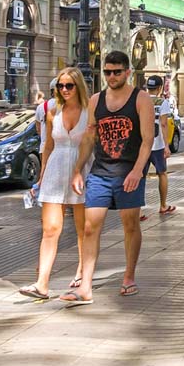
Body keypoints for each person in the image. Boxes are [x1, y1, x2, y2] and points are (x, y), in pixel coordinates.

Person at [61, 51, 155, 306]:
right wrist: (78, 169)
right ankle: (86, 287)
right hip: (100, 172)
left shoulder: (141, 99)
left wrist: (137, 171)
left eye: (116, 71)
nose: (111, 76)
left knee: (130, 226)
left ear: (127, 72)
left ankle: (128, 276)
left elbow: (148, 141)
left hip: (128, 172)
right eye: (107, 72)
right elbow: (90, 137)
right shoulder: (95, 100)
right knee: (91, 227)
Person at [18, 67, 89, 300]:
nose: (64, 90)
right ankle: (42, 284)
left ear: (78, 86)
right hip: (55, 170)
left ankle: (81, 272)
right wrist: (42, 174)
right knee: (50, 229)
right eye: (60, 86)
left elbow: (91, 144)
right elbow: (48, 145)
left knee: (82, 230)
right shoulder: (52, 110)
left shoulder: (90, 111)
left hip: (81, 172)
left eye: (69, 85)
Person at [140, 75, 176, 220]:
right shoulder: (163, 102)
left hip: (142, 144)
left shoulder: (140, 101)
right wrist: (167, 145)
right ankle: (162, 205)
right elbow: (163, 124)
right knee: (162, 173)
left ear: (147, 87)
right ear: (160, 87)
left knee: (140, 177)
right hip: (158, 145)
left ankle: (138, 211)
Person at [35, 78, 58, 146]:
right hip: (60, 147)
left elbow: (38, 129)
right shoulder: (68, 106)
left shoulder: (40, 107)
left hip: (44, 146)